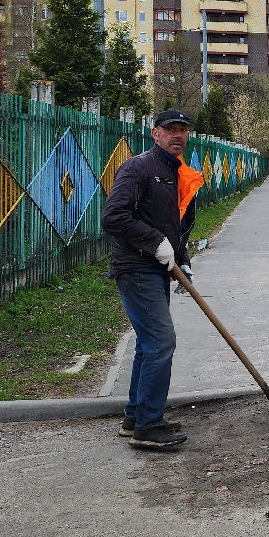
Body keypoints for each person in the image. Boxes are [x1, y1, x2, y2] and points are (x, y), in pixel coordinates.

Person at [101, 108, 204, 450]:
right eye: (170, 129)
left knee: (149, 344)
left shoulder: (179, 173)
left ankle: (136, 417)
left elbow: (174, 227)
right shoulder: (138, 167)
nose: (178, 135)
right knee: (161, 341)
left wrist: (182, 259)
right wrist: (154, 242)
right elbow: (114, 217)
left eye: (183, 129)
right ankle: (148, 424)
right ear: (155, 133)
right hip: (136, 267)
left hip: (157, 268)